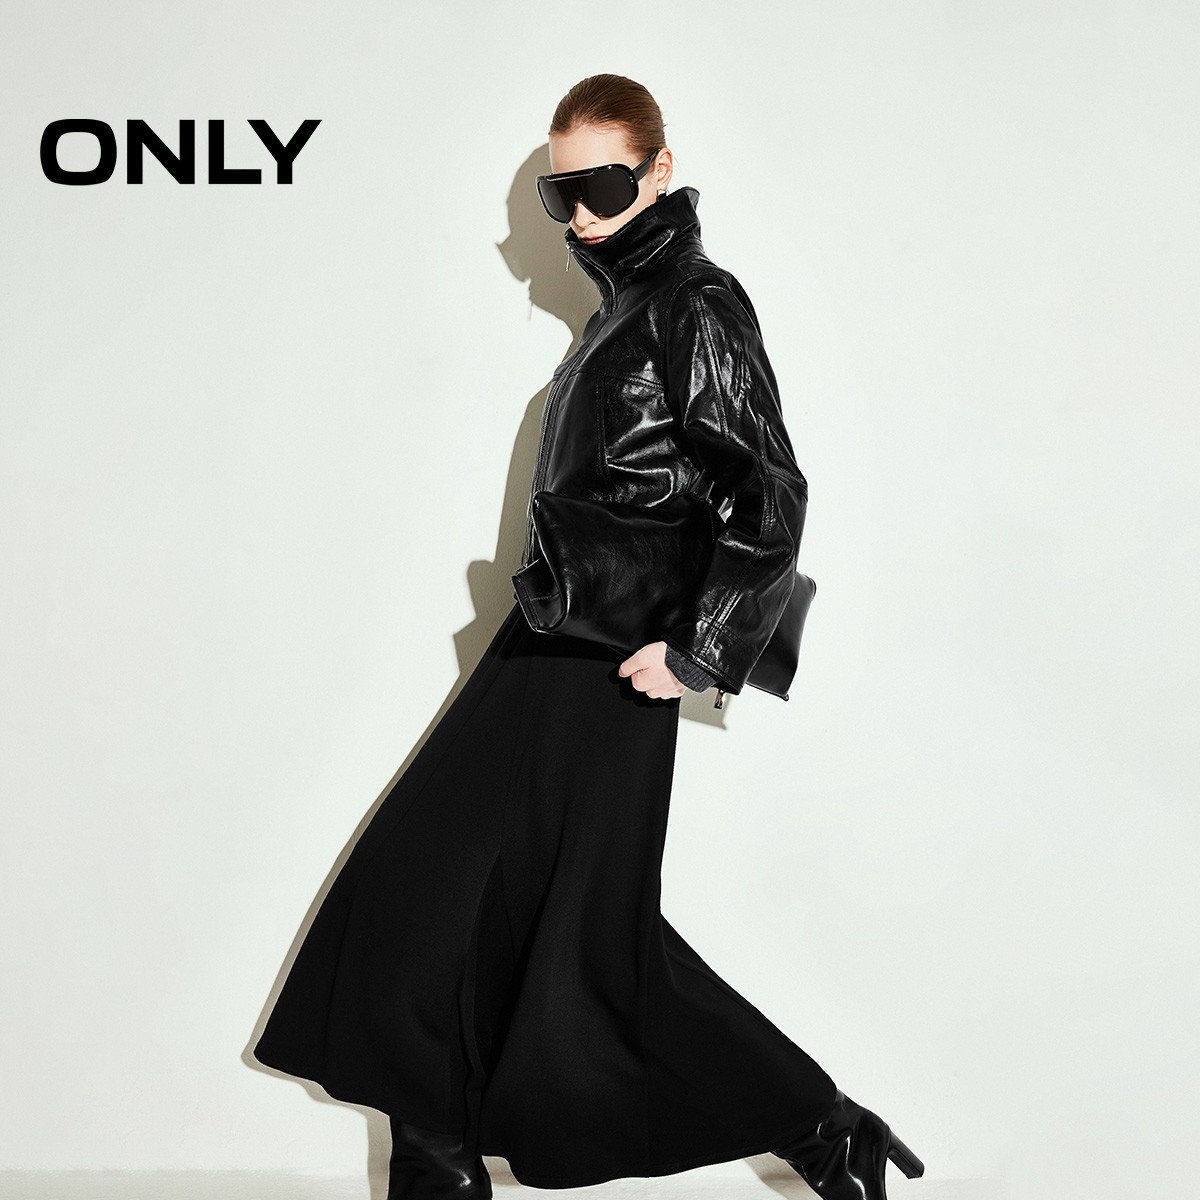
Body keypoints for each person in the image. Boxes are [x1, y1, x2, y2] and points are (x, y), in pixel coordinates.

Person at [251, 73, 925, 1199]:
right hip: (550, 638)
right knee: (431, 893)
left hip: (619, 658)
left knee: (579, 939)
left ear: (661, 171)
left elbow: (768, 487)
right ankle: (437, 1160)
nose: (579, 215)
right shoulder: (620, 310)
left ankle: (817, 1126)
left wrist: (702, 647)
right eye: (559, 193)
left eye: (603, 185)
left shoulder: (696, 301)